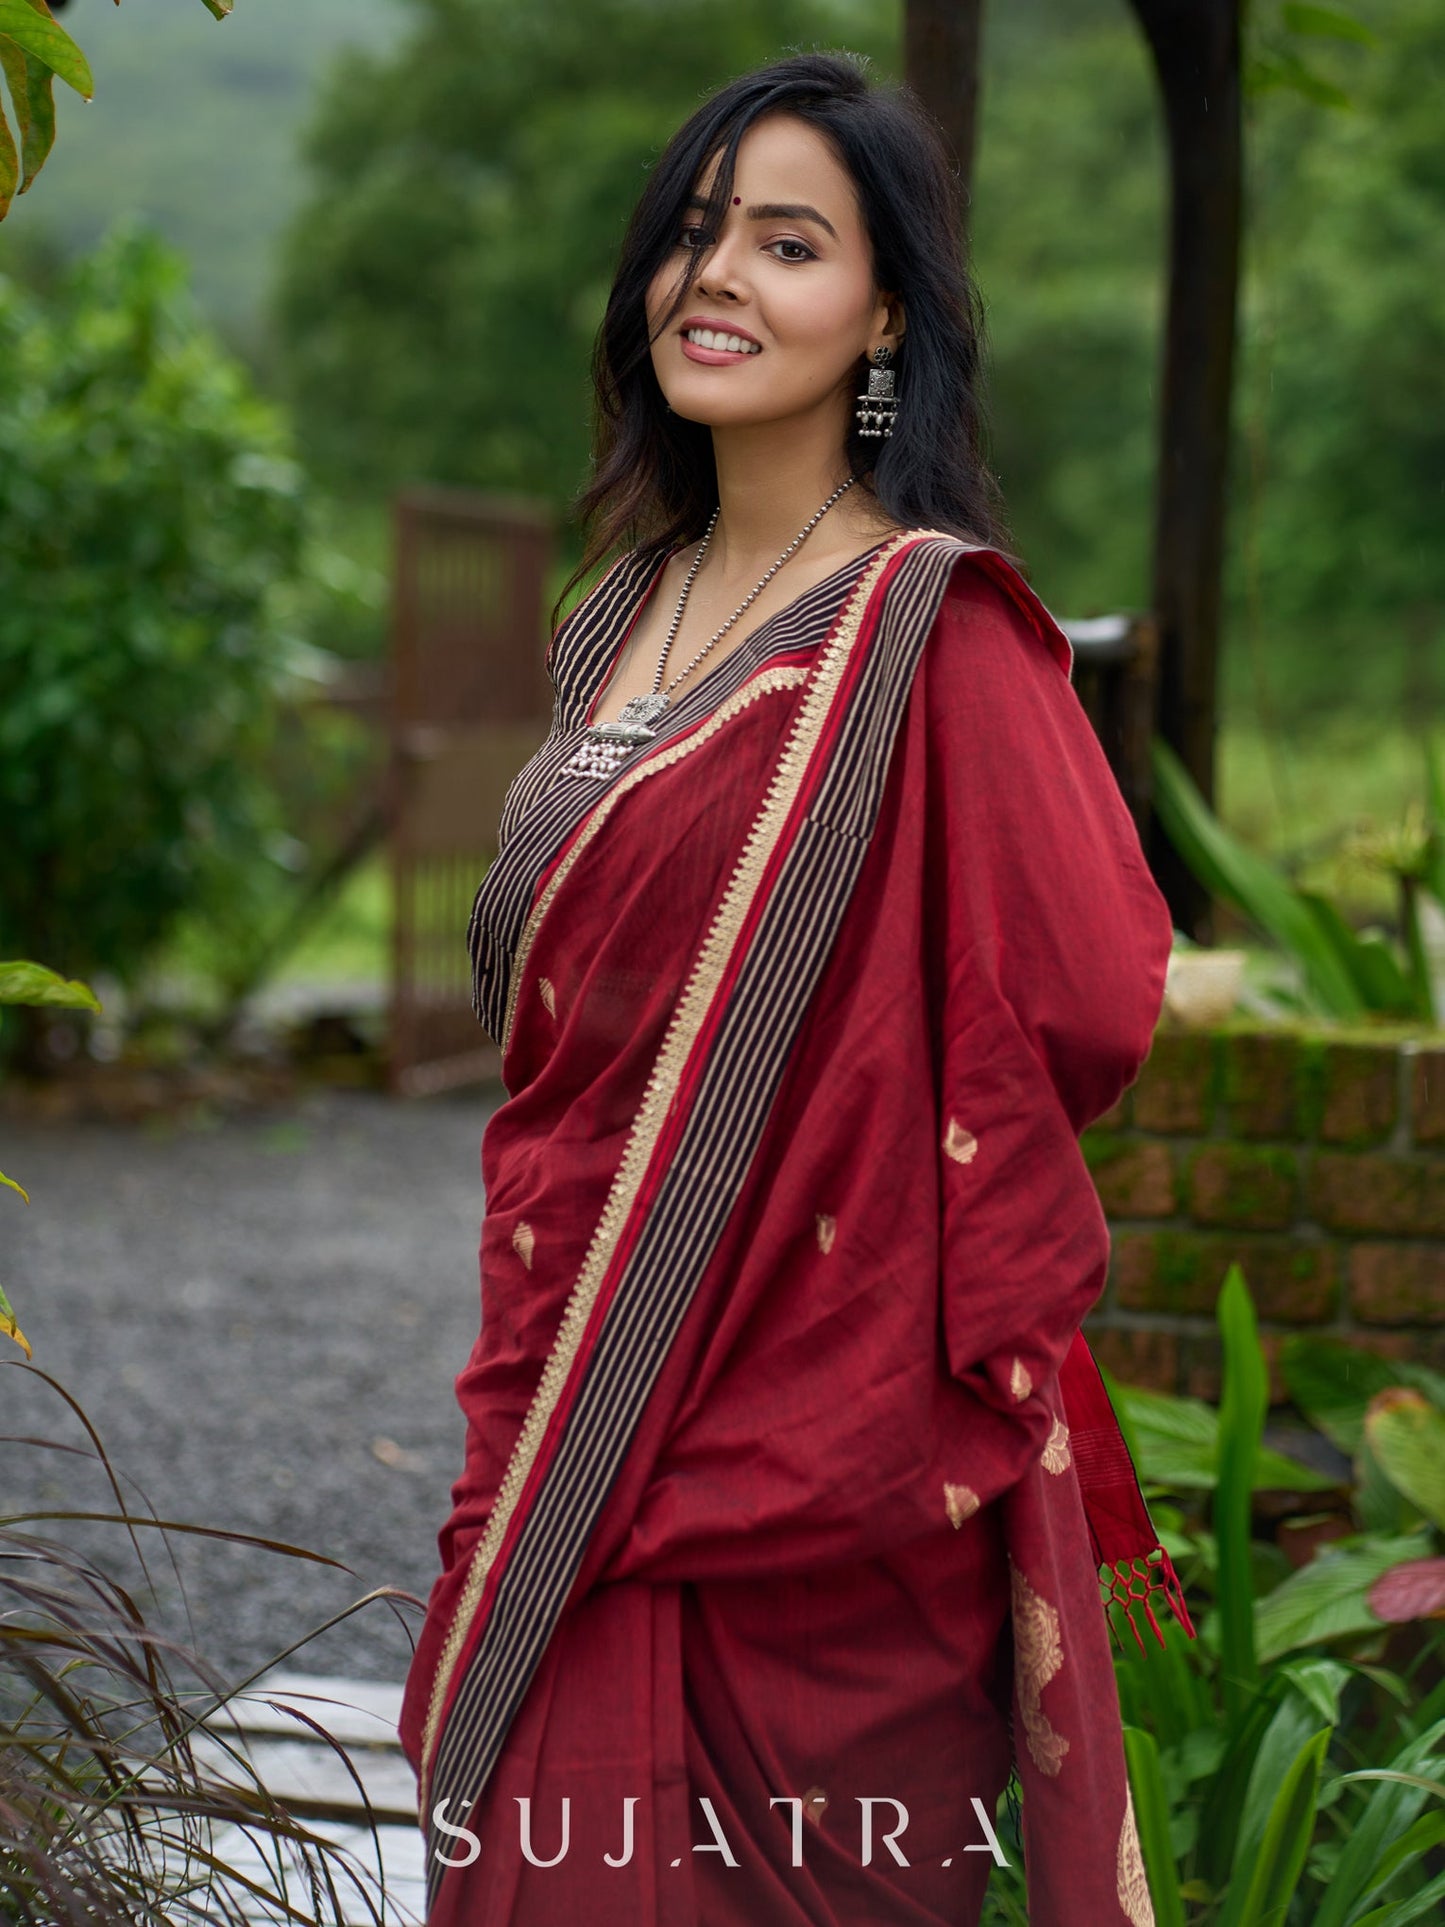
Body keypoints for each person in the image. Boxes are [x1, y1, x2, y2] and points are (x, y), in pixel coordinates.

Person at [398, 49, 1192, 1927]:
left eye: (786, 241)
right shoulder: (617, 620)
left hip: (806, 1476)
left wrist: (851, 1239)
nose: (720, 278)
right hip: (557, 1398)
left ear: (882, 312)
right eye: (691, 235)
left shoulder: (939, 631)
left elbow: (1085, 992)